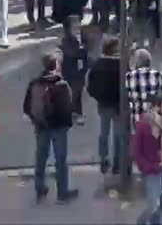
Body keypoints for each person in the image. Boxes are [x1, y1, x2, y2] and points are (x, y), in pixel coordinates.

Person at [23, 51, 78, 203]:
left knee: (41, 157)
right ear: (57, 65)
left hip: (41, 126)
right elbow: (68, 108)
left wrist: (36, 119)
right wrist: (68, 123)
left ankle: (40, 189)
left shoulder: (35, 83)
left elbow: (27, 106)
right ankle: (62, 193)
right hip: (59, 127)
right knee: (60, 160)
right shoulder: (61, 84)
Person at [133, 93, 162, 213]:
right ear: (155, 108)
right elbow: (137, 149)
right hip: (153, 168)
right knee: (155, 204)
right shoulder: (144, 124)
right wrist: (146, 167)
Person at [86, 36, 123, 174]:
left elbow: (90, 87)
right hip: (119, 105)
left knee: (103, 133)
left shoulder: (97, 65)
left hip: (103, 105)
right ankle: (117, 162)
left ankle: (103, 159)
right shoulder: (121, 65)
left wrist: (98, 97)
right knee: (119, 134)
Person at [58, 17, 90, 124]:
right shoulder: (67, 40)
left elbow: (87, 51)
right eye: (75, 26)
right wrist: (82, 49)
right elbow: (72, 53)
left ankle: (75, 112)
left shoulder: (82, 38)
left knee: (78, 92)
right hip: (70, 70)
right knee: (74, 92)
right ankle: (74, 113)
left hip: (80, 70)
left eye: (79, 25)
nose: (78, 27)